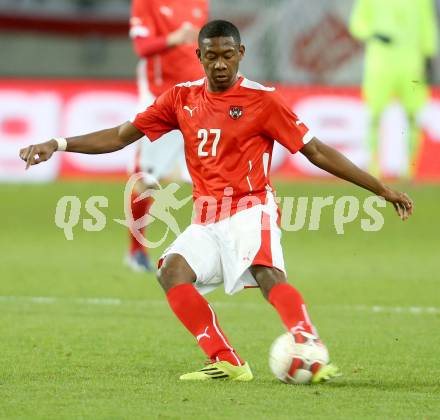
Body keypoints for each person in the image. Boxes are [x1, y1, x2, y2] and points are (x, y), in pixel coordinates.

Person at [20, 20, 413, 382]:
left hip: (250, 207)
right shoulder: (180, 98)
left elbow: (318, 152)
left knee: (266, 273)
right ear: (199, 57)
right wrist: (58, 144)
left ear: (240, 54)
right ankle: (226, 360)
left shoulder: (263, 101)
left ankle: (307, 342)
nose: (220, 64)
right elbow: (121, 136)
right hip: (206, 216)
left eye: (227, 55)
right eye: (211, 56)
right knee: (171, 272)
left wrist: (380, 189)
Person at [126, 0, 208, 271]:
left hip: (198, 97)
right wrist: (173, 38)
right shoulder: (147, 2)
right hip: (160, 97)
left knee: (214, 174)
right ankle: (136, 251)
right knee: (146, 179)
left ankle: (217, 251)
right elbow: (141, 48)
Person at [349, 0, 438, 179]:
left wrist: (429, 56)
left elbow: (428, 27)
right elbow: (356, 23)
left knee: (413, 115)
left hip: (412, 64)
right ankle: (373, 168)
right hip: (380, 63)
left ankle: (410, 171)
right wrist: (373, 33)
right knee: (374, 114)